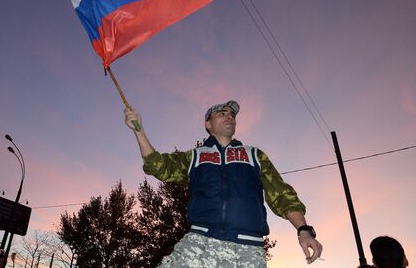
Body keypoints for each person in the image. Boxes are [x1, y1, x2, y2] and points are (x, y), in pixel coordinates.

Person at [125, 100, 323, 267]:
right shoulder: (195, 157)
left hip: (247, 251)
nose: (229, 117)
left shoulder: (253, 155)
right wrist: (139, 130)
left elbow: (281, 195)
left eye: (232, 115)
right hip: (200, 243)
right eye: (222, 113)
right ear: (208, 124)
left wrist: (303, 230)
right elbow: (158, 166)